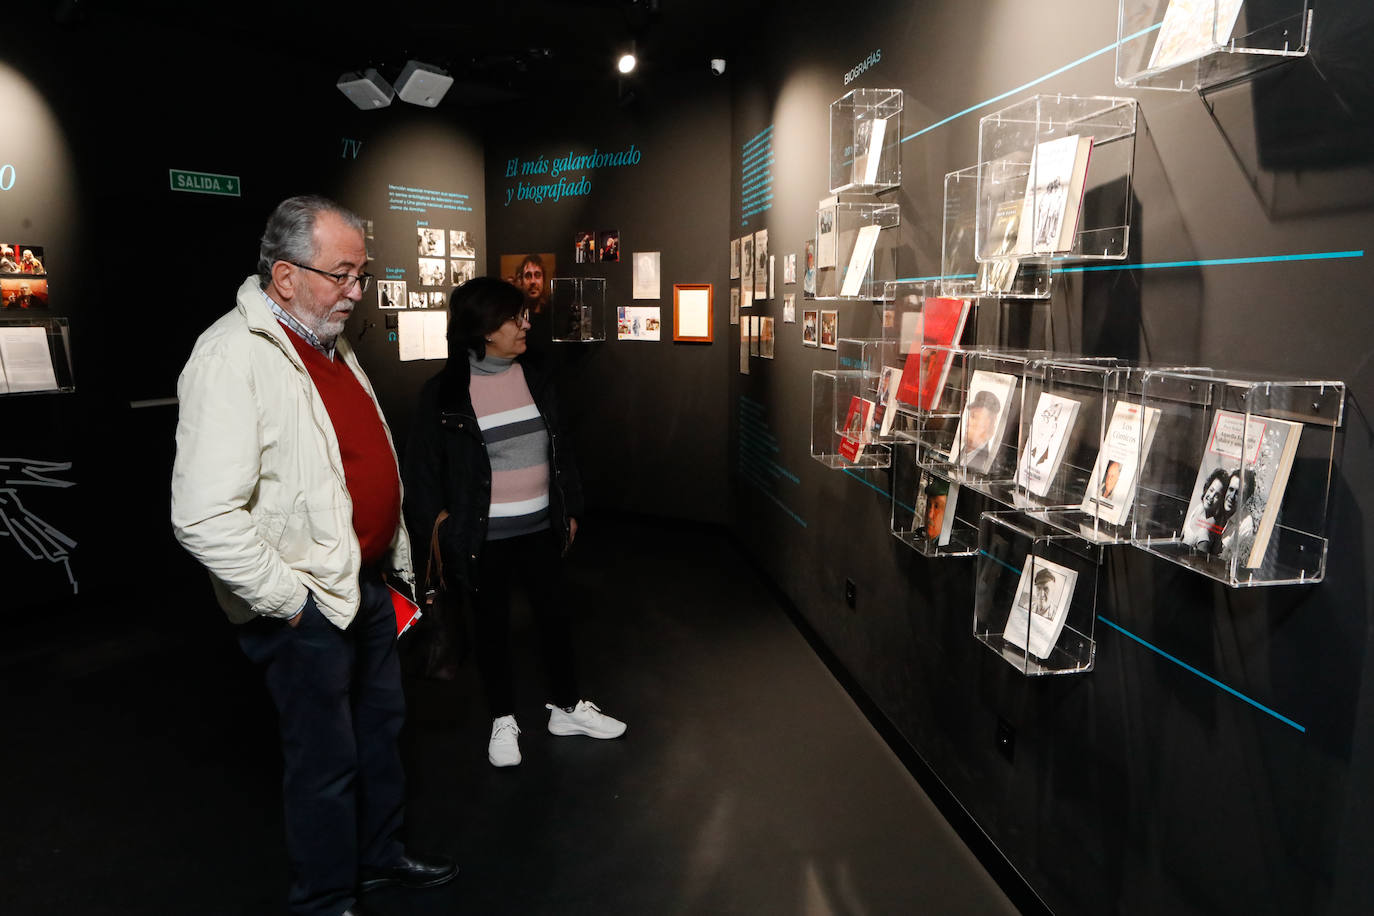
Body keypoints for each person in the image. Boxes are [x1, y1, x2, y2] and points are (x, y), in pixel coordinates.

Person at [171, 195, 456, 916]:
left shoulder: (329, 342)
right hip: (305, 605)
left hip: (362, 587)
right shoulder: (230, 357)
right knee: (324, 763)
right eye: (343, 275)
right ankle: (325, 899)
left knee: (380, 736)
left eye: (362, 274)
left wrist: (386, 566)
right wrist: (290, 601)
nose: (356, 292)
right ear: (286, 275)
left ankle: (380, 857)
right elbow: (202, 516)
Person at [403, 276, 626, 769]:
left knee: (555, 617)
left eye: (523, 315)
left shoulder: (538, 375)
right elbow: (421, 476)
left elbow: (561, 449)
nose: (526, 324)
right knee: (492, 629)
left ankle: (568, 708)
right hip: (483, 539)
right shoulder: (444, 395)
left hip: (540, 530)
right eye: (513, 317)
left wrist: (568, 509)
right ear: (484, 329)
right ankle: (503, 717)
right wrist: (442, 532)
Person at [1182, 466, 1234, 555]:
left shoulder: (1208, 527)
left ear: (1221, 501)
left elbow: (1200, 563)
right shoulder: (1199, 508)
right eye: (1211, 490)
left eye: (1217, 495)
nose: (1211, 496)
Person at [957, 389, 1001, 474]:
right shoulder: (963, 451)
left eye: (973, 416)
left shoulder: (984, 463)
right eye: (969, 416)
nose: (967, 422)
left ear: (987, 424)